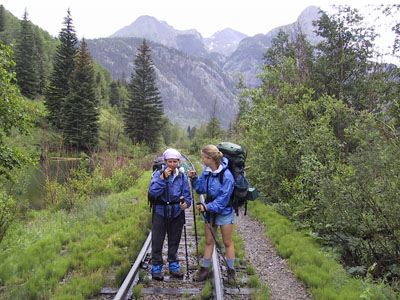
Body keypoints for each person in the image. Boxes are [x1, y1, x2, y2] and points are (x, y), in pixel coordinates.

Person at [188, 144, 236, 284]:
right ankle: (204, 270)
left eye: (203, 158)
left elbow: (223, 200)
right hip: (210, 211)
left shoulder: (227, 176)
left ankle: (231, 272)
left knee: (227, 242)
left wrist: (207, 207)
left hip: (224, 211)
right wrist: (194, 179)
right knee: (209, 241)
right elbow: (201, 188)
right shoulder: (207, 171)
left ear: (210, 158)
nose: (202, 160)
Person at [148, 148, 192, 281]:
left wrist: (186, 204)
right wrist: (162, 179)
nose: (172, 164)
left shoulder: (182, 176)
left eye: (175, 161)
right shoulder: (158, 174)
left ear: (179, 162)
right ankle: (156, 268)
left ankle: (173, 266)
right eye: (170, 161)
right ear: (165, 161)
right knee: (157, 241)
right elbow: (153, 193)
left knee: (174, 240)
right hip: (160, 212)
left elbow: (187, 194)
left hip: (176, 213)